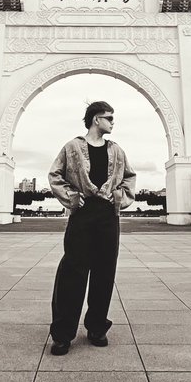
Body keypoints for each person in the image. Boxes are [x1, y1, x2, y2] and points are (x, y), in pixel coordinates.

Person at [47, 100, 137, 355]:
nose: (112, 122)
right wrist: (71, 197)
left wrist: (118, 196)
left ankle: (97, 328)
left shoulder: (117, 151)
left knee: (104, 274)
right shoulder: (72, 147)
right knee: (72, 273)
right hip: (82, 216)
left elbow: (129, 178)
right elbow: (55, 175)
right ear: (96, 119)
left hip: (108, 217)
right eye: (109, 117)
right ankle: (63, 334)